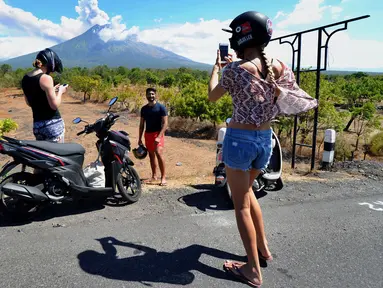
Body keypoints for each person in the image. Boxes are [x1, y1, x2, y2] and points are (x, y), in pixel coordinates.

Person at [208, 11, 316, 287]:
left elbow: (212, 97)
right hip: (266, 140)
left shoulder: (234, 70)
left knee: (240, 203)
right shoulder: (280, 65)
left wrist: (217, 68)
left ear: (242, 37)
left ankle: (253, 270)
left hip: (239, 140)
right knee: (248, 193)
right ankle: (263, 249)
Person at [21, 48, 67, 143]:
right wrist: (60, 92)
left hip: (37, 126)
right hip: (52, 125)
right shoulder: (46, 78)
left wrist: (51, 90)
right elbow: (54, 105)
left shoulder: (25, 78)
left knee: (45, 155)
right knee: (57, 155)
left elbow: (29, 102)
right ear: (50, 63)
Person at [138, 87, 168, 186]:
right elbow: (142, 125)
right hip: (148, 134)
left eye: (152, 94)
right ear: (146, 95)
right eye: (149, 94)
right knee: (151, 156)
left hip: (158, 134)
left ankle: (163, 177)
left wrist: (159, 136)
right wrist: (139, 138)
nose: (151, 96)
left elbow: (165, 124)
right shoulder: (144, 109)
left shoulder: (161, 108)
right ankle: (154, 176)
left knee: (159, 153)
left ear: (155, 95)